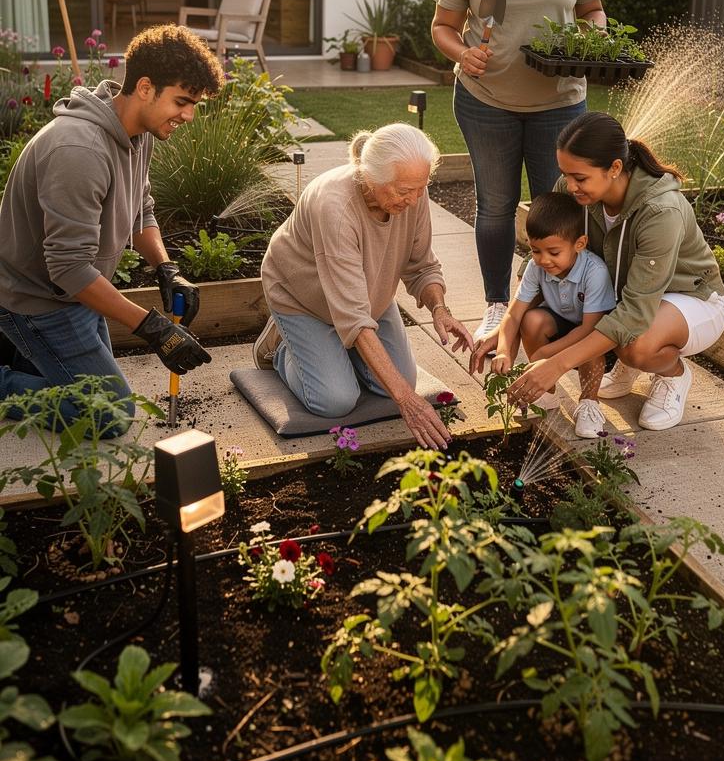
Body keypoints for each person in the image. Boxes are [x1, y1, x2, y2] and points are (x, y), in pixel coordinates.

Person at [0, 25, 224, 430]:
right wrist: (152, 327)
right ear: (144, 87)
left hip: (75, 295)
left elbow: (142, 209)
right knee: (109, 413)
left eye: (194, 104)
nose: (189, 115)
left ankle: (25, 356)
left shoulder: (137, 133)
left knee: (89, 388)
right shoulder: (79, 150)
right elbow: (67, 269)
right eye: (182, 101)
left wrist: (165, 268)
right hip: (34, 300)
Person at [431, 0, 606, 344]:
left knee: (556, 209)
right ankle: (494, 305)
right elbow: (442, 26)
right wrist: (463, 54)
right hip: (486, 100)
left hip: (560, 101)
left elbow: (593, 11)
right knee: (495, 205)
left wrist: (592, 40)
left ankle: (550, 305)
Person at [505, 112, 724, 432]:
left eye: (580, 178)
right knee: (552, 314)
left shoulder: (660, 210)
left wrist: (556, 364)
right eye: (565, 174)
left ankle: (672, 375)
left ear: (614, 168)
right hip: (632, 296)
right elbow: (543, 254)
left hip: (691, 298)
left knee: (636, 344)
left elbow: (636, 313)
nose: (569, 186)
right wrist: (507, 328)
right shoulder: (573, 189)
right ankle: (627, 362)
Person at [255, 123, 474, 450]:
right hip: (303, 299)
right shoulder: (335, 207)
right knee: (335, 400)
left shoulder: (412, 190)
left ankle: (335, 351)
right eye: (404, 191)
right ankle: (280, 347)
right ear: (372, 176)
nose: (413, 200)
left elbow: (421, 264)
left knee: (397, 381)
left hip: (369, 294)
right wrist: (407, 402)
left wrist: (440, 308)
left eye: (421, 188)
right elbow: (354, 318)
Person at [472, 192, 616, 437]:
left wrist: (543, 355)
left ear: (579, 244)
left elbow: (590, 329)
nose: (543, 260)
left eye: (553, 252)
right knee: (532, 320)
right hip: (561, 323)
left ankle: (589, 403)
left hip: (594, 335)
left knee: (590, 349)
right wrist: (506, 350)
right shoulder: (535, 267)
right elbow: (514, 315)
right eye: (535, 250)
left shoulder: (594, 272)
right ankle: (545, 392)